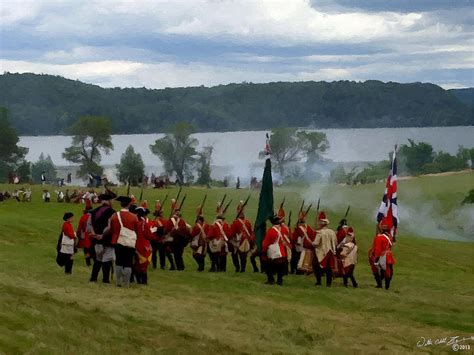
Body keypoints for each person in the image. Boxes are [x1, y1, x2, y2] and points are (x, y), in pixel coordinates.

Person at [109, 196, 139, 287]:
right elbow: (136, 230)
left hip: (118, 241)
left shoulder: (114, 216)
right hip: (130, 243)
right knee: (128, 263)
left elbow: (111, 229)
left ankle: (119, 282)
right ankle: (127, 283)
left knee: (119, 262)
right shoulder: (134, 217)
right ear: (129, 204)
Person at [89, 191, 116, 283]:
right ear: (109, 201)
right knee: (107, 260)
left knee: (98, 259)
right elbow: (110, 226)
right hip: (107, 239)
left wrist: (94, 234)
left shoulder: (94, 211)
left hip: (96, 239)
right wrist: (102, 235)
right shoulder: (112, 212)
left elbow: (89, 225)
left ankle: (93, 278)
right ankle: (105, 279)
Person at [262, 214, 290, 286]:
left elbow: (266, 242)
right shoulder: (284, 229)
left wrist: (264, 250)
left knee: (268, 267)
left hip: (274, 252)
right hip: (282, 252)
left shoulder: (271, 231)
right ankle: (279, 281)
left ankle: (271, 280)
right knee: (280, 269)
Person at [134, 201, 157, 285]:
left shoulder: (135, 222)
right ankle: (143, 281)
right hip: (143, 246)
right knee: (143, 264)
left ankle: (138, 280)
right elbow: (149, 235)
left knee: (137, 263)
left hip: (135, 245)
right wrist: (155, 237)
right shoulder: (144, 224)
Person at [369, 217, 396, 290]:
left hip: (382, 255)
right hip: (389, 255)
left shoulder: (379, 237)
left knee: (375, 269)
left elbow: (377, 249)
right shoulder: (389, 236)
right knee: (388, 271)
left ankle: (379, 284)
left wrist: (376, 258)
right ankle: (387, 287)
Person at [163, 200, 190, 271]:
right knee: (179, 255)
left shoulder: (170, 221)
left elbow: (166, 230)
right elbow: (186, 231)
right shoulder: (182, 221)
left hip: (174, 240)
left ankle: (178, 267)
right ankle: (181, 266)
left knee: (175, 254)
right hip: (181, 240)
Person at [312, 211, 337, 287]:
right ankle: (328, 284)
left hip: (321, 252)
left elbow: (316, 243)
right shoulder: (332, 232)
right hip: (330, 252)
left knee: (316, 267)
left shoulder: (320, 233)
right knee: (328, 268)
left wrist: (311, 242)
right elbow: (335, 242)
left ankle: (318, 282)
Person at [229, 201, 254, 273]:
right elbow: (251, 232)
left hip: (238, 241)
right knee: (244, 256)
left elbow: (231, 233)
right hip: (246, 241)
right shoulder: (248, 222)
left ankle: (237, 267)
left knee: (234, 254)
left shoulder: (236, 222)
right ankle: (243, 268)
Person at [207, 202, 230, 272]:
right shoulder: (226, 225)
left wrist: (208, 238)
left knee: (214, 255)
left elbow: (210, 235)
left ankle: (214, 267)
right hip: (223, 243)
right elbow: (228, 234)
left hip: (216, 243)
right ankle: (223, 268)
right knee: (223, 256)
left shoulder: (214, 225)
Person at [291, 210, 316, 275]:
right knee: (296, 258)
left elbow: (312, 235)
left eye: (302, 216)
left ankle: (299, 271)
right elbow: (294, 237)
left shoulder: (307, 227)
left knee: (299, 258)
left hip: (303, 246)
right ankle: (296, 270)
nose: (301, 217)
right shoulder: (298, 227)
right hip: (298, 245)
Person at [190, 205, 210, 271]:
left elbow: (192, 234)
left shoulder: (196, 226)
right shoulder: (206, 225)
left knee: (196, 255)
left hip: (198, 242)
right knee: (202, 255)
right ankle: (201, 267)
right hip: (205, 242)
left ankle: (201, 266)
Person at [150, 200, 168, 270]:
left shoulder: (152, 221)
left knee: (154, 253)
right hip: (161, 240)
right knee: (162, 253)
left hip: (154, 240)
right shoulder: (165, 221)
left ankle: (154, 265)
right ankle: (162, 266)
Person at [76, 199, 94, 266]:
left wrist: (78, 235)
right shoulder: (94, 216)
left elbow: (79, 228)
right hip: (93, 235)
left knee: (86, 250)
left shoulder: (83, 217)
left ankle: (88, 263)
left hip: (86, 236)